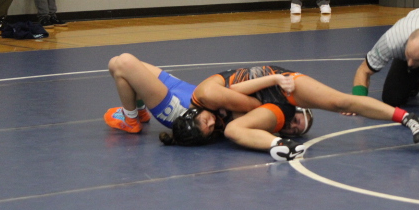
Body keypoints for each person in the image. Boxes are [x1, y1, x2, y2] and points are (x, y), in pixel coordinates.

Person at [165, 65, 419, 161]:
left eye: (206, 121)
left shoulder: (204, 95)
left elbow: (243, 95)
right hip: (272, 106)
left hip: (276, 84)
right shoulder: (206, 123)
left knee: (341, 102)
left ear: (193, 113)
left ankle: (407, 118)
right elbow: (241, 121)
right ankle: (283, 147)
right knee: (233, 129)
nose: (211, 123)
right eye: (209, 130)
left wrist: (276, 81)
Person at [104, 54, 313, 139]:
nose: (292, 127)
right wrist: (275, 80)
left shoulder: (265, 118)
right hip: (186, 90)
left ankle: (131, 118)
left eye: (295, 131)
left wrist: (274, 79)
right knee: (115, 65)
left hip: (180, 110)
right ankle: (139, 113)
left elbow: (234, 97)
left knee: (125, 63)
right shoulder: (273, 106)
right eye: (296, 121)